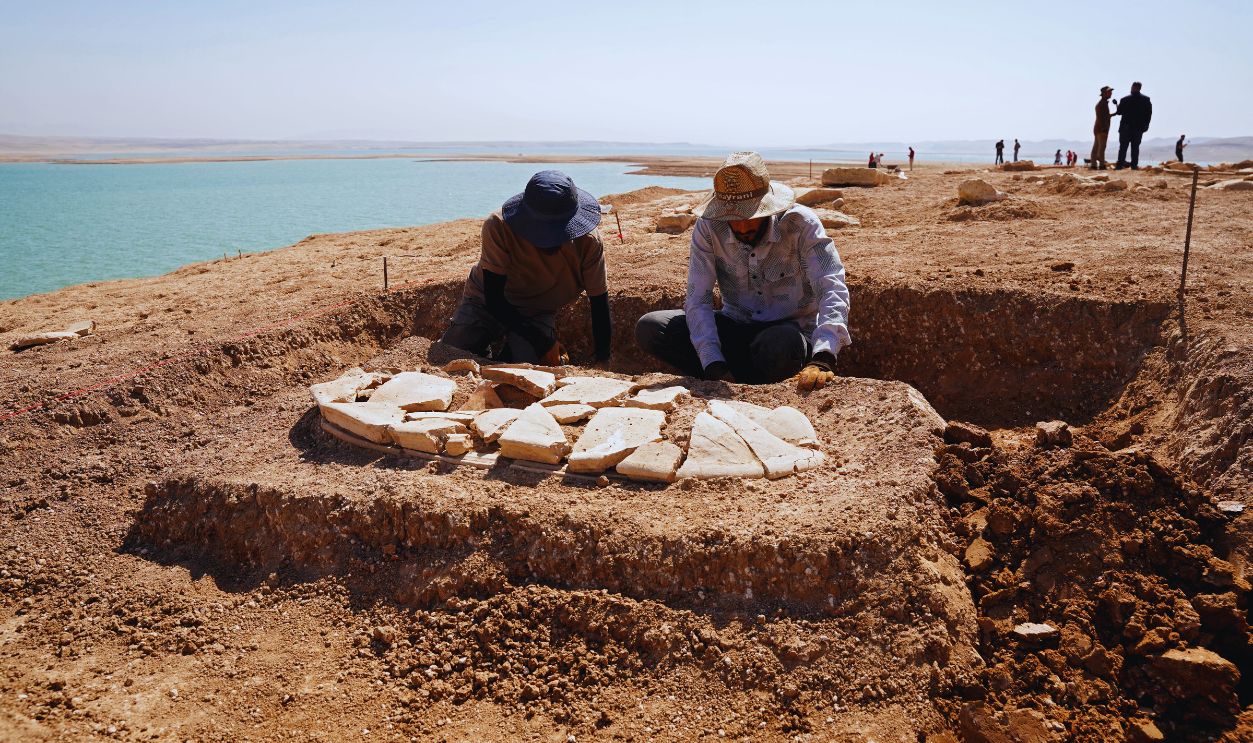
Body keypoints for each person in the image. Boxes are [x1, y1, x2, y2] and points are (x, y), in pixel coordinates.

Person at [635, 152, 850, 390]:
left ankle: (760, 382)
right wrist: (712, 362)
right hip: (736, 327)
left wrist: (824, 355)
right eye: (732, 217)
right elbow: (699, 298)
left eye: (750, 215)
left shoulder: (801, 224)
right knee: (652, 327)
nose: (742, 225)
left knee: (781, 344)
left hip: (788, 331)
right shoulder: (708, 228)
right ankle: (729, 377)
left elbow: (830, 283)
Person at [440, 170, 611, 365]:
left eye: (558, 231)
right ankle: (485, 348)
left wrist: (603, 359)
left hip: (538, 309)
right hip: (486, 302)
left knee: (524, 364)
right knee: (453, 351)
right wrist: (545, 341)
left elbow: (599, 302)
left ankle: (509, 352)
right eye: (543, 231)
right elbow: (494, 298)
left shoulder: (589, 242)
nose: (549, 239)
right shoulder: (498, 227)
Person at [1115, 82, 1153, 170]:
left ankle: (1119, 165)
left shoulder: (1124, 99)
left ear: (1132, 87)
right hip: (1138, 128)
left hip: (1125, 128)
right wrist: (1146, 125)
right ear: (1140, 88)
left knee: (1123, 147)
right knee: (1135, 147)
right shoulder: (1146, 100)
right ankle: (1134, 166)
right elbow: (1149, 114)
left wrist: (1117, 106)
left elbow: (1119, 112)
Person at [1090, 85, 1116, 170]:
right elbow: (1101, 117)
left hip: (1098, 128)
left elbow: (1105, 116)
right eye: (1109, 92)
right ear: (1104, 93)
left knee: (1097, 147)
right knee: (1101, 148)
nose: (1111, 93)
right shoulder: (1102, 104)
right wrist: (1104, 128)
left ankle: (1094, 164)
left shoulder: (1103, 103)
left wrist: (1114, 114)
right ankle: (1101, 165)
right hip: (1101, 129)